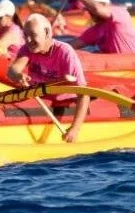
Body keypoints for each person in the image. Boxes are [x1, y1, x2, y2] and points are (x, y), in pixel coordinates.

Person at [7, 14, 90, 142]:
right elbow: (12, 70)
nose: (28, 40)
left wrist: (75, 128)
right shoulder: (27, 49)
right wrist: (17, 75)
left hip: (62, 102)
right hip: (39, 98)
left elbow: (84, 93)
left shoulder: (65, 52)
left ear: (46, 32)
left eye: (33, 35)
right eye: (25, 36)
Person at [67, 0, 135, 54]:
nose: (90, 13)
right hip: (115, 63)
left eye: (90, 9)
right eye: (89, 10)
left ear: (105, 5)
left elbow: (97, 9)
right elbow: (68, 47)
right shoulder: (94, 31)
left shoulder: (119, 12)